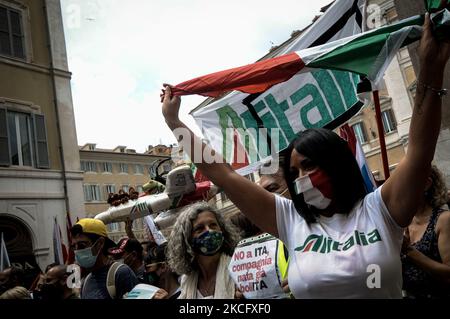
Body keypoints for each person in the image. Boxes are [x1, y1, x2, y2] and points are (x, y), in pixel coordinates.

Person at [161, 11, 450, 298]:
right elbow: (222, 173)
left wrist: (432, 68)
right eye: (295, 172)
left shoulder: (380, 209)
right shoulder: (289, 219)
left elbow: (419, 150)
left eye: (309, 165)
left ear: (336, 164)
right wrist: (175, 124)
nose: (301, 179)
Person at [166, 202, 240, 299]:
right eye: (199, 228)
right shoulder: (187, 280)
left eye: (213, 225)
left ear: (222, 230)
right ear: (187, 240)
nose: (209, 231)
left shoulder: (238, 270)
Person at [401, 165, 450, 298]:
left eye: (405, 182)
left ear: (426, 184)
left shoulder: (444, 219)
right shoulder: (402, 222)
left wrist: (408, 250)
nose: (399, 188)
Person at [70, 218, 139, 299]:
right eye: (74, 246)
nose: (77, 251)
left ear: (100, 243)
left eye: (82, 245)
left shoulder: (121, 273)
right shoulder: (86, 280)